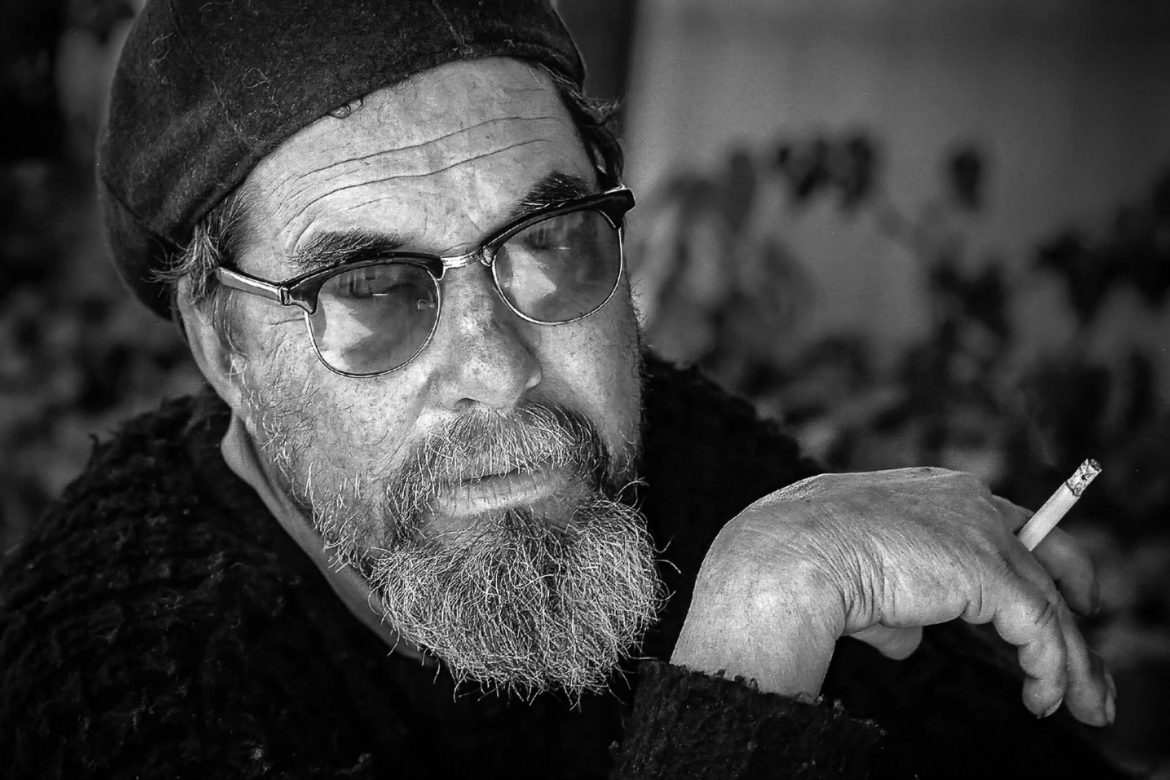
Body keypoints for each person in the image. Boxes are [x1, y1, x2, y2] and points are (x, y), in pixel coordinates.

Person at [0, 1, 1126, 777]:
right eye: (369, 289)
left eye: (547, 242)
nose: (501, 372)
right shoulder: (111, 680)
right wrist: (750, 652)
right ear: (222, 346)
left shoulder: (682, 455)